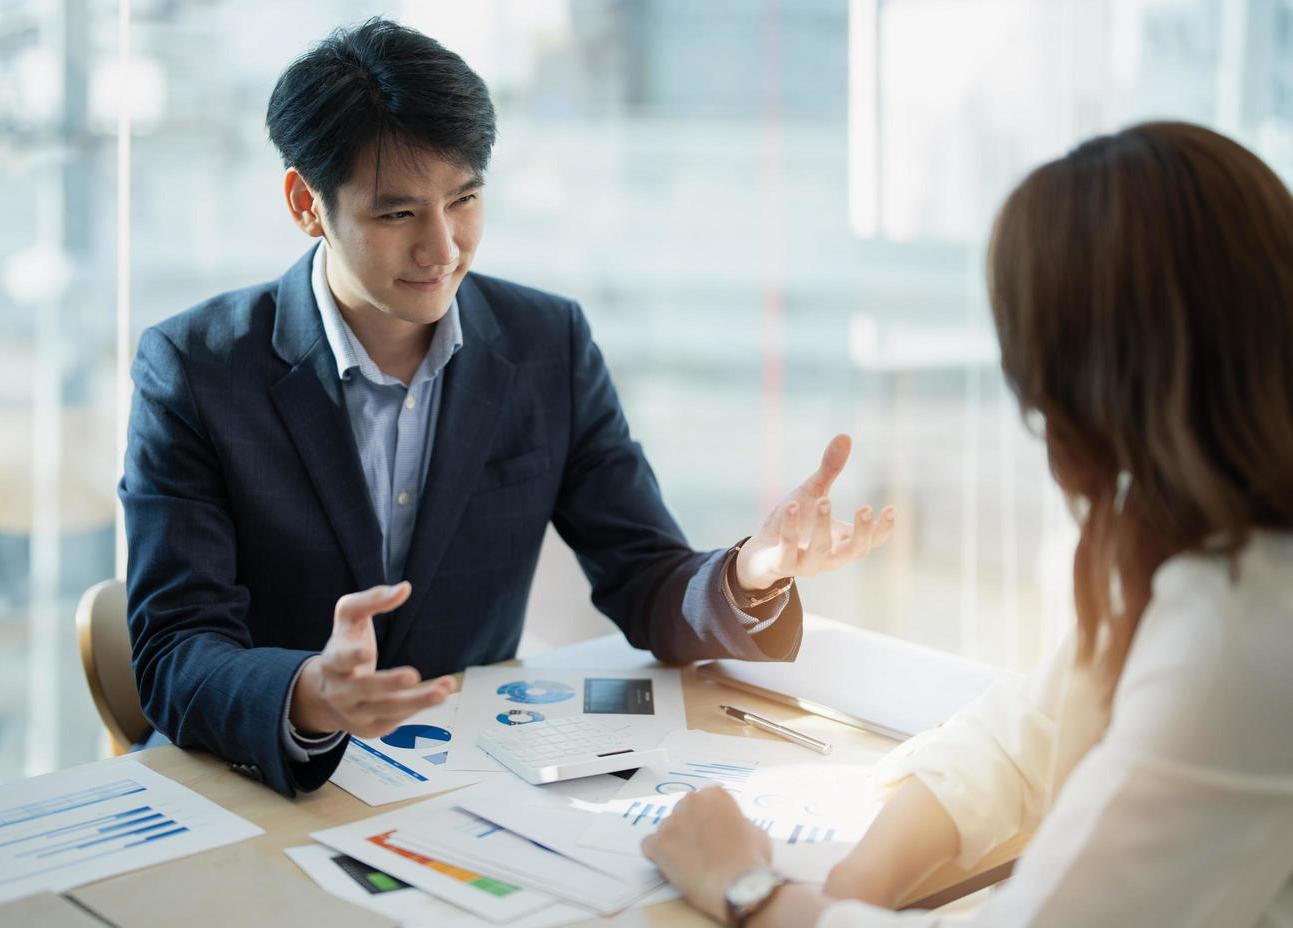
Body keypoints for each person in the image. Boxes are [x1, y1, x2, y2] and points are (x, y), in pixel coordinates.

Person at [120, 18, 895, 798]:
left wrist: (750, 573)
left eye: (463, 200)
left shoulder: (545, 346)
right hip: (256, 779)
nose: (442, 248)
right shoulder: (195, 369)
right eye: (397, 215)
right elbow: (174, 648)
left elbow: (644, 577)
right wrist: (308, 695)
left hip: (462, 783)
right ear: (305, 203)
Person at [643, 120, 1293, 928]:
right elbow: (1027, 732)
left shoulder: (1241, 624)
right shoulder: (1192, 540)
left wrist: (747, 887)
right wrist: (851, 886)